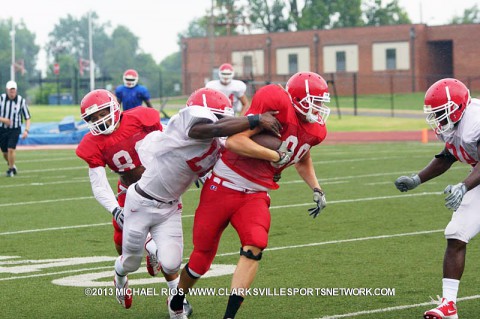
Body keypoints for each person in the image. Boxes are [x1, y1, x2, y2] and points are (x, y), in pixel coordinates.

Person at [169, 71, 331, 319]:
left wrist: (316, 188)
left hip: (256, 193)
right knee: (202, 257)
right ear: (297, 97)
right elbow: (234, 142)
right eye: (315, 101)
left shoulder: (315, 129)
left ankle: (229, 316)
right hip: (223, 186)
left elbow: (302, 155)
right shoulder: (275, 101)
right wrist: (275, 156)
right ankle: (178, 297)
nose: (319, 108)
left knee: (255, 244)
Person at [113, 87, 285, 312]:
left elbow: (230, 161)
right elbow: (212, 128)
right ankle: (120, 276)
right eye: (219, 115)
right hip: (141, 202)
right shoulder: (191, 122)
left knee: (173, 263)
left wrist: (272, 159)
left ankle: (175, 305)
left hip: (171, 207)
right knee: (131, 262)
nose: (225, 121)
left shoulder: (217, 145)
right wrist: (254, 119)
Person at [75, 89, 190, 311]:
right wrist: (114, 209)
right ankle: (121, 277)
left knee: (165, 247)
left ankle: (176, 297)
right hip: (127, 192)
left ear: (114, 107)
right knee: (124, 247)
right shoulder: (92, 143)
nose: (99, 120)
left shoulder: (141, 118)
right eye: (93, 118)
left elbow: (168, 141)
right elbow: (98, 183)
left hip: (161, 187)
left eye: (102, 113)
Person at [394, 78, 479, 319]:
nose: (437, 119)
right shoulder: (456, 124)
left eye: (441, 112)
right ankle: (448, 306)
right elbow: (447, 156)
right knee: (456, 233)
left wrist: (463, 186)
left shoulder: (476, 121)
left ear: (457, 107)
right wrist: (417, 179)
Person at [0, 80, 31, 177]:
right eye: (10, 90)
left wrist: (26, 130)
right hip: (3, 129)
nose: (12, 92)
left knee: (11, 149)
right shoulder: (1, 98)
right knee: (4, 152)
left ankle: (11, 170)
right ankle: (12, 165)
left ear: (16, 90)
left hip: (15, 129)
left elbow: (27, 117)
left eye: (13, 90)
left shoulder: (21, 101)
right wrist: (4, 120)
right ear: (7, 90)